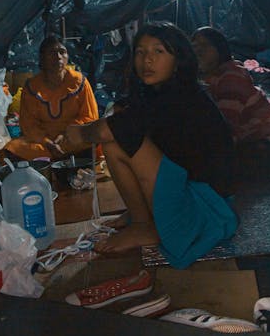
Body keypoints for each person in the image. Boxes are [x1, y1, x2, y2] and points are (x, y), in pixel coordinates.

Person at [61, 21, 237, 269]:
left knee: (116, 137)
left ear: (178, 60)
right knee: (119, 135)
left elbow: (107, 129)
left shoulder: (181, 97)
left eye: (158, 51)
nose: (147, 60)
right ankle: (141, 215)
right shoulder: (159, 93)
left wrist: (80, 133)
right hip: (189, 189)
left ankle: (145, 227)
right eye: (141, 52)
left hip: (203, 208)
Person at [191, 26, 270, 177]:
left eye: (205, 45)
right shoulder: (214, 75)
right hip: (269, 135)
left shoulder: (230, 78)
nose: (198, 51)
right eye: (194, 46)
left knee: (220, 168)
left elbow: (227, 129)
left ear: (219, 49)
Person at [3, 34, 99, 160]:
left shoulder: (79, 81)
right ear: (42, 59)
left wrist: (64, 135)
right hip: (43, 143)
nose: (58, 57)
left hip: (71, 138)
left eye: (62, 52)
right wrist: (47, 142)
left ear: (67, 56)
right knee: (12, 149)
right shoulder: (32, 87)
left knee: (95, 139)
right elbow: (28, 125)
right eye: (52, 53)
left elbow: (89, 117)